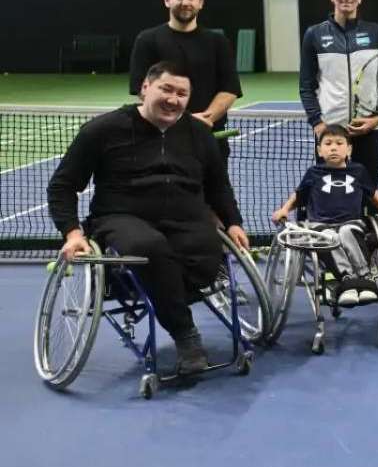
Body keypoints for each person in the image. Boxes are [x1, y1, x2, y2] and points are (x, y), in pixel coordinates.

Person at [48, 61, 249, 375]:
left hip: (186, 220)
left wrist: (234, 221)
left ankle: (166, 299)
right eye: (166, 89)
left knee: (206, 256)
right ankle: (186, 335)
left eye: (182, 94)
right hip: (121, 218)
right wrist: (72, 233)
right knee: (149, 247)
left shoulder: (199, 133)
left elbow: (218, 185)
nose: (173, 99)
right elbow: (62, 186)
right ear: (145, 87)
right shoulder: (102, 130)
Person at [272, 124, 378, 307]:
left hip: (352, 223)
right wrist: (284, 210)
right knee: (329, 237)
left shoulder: (358, 171)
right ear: (319, 151)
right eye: (328, 143)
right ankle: (347, 279)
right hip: (319, 226)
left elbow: (373, 192)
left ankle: (364, 277)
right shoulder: (314, 173)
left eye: (339, 143)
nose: (334, 147)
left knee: (346, 232)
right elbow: (299, 195)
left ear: (349, 149)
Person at [128, 0, 242, 157]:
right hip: (162, 140)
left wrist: (203, 121)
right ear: (167, 0)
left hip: (210, 141)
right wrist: (181, 122)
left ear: (201, 2)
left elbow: (230, 89)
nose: (185, 2)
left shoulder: (218, 42)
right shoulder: (147, 40)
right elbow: (142, 89)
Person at [299, 0, 378, 188]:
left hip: (369, 128)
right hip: (330, 131)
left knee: (368, 191)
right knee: (330, 191)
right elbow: (306, 85)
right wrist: (318, 123)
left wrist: (377, 118)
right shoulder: (314, 34)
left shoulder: (376, 32)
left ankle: (367, 223)